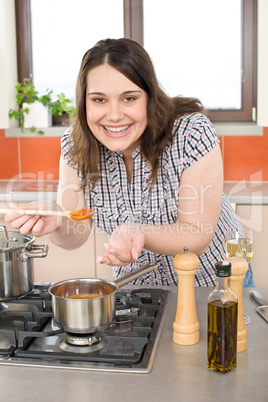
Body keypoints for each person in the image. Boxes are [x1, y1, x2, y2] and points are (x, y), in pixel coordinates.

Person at [5, 38, 254, 287]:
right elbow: (76, 234)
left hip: (217, 286)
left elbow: (197, 234)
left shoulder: (190, 132)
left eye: (129, 98)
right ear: (84, 103)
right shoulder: (75, 144)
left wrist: (139, 232)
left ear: (149, 97)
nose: (114, 115)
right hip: (141, 291)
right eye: (99, 100)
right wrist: (58, 221)